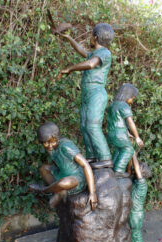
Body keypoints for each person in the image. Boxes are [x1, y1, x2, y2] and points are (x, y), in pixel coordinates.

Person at [57, 23, 114, 169]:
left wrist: (70, 68)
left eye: (91, 36)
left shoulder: (104, 53)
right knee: (84, 126)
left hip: (96, 93)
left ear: (95, 37)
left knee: (93, 126)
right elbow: (82, 51)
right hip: (88, 94)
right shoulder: (95, 53)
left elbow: (89, 64)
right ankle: (92, 156)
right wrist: (69, 37)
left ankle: (105, 158)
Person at [29, 122, 97, 210]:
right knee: (43, 169)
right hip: (62, 173)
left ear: (56, 138)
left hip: (77, 177)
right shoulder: (52, 149)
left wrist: (92, 193)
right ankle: (59, 191)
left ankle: (44, 190)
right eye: (45, 143)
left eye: (51, 141)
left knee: (64, 182)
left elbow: (85, 165)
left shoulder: (65, 146)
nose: (49, 145)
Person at [107, 83, 144, 178]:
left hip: (111, 133)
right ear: (127, 95)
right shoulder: (124, 106)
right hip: (119, 133)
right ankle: (118, 171)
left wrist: (127, 133)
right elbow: (130, 122)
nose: (132, 100)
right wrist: (137, 137)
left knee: (118, 150)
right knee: (128, 149)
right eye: (132, 98)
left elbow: (117, 121)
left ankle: (112, 168)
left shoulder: (112, 105)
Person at [128, 153, 152, 242]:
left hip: (135, 213)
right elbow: (129, 170)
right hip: (132, 211)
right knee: (132, 231)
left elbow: (136, 169)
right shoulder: (135, 181)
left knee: (135, 232)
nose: (136, 168)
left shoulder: (142, 184)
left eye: (139, 168)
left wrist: (133, 154)